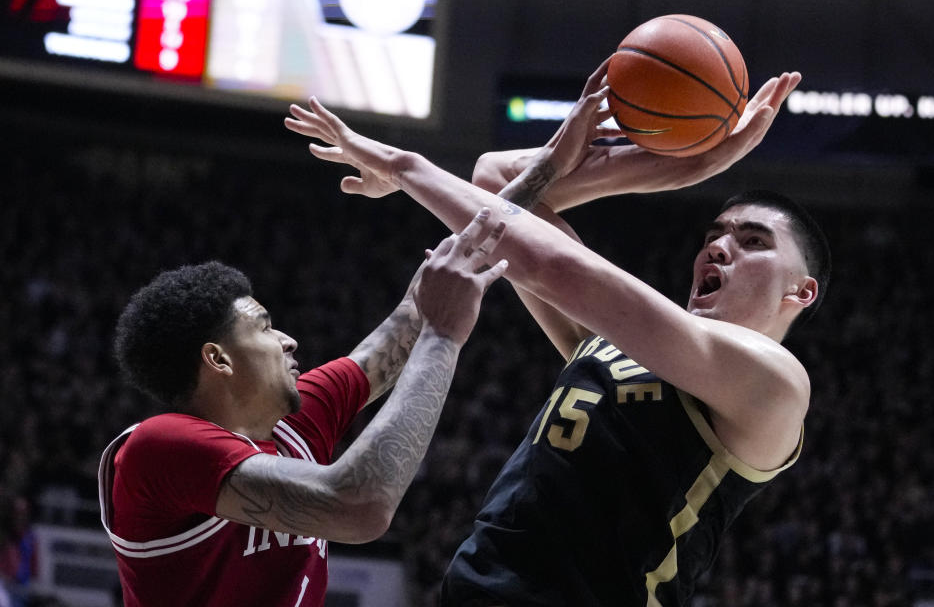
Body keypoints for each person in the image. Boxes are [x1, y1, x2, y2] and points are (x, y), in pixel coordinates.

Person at [285, 62, 830, 606]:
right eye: (715, 234)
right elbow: (496, 180)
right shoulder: (625, 342)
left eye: (753, 241)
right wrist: (683, 166)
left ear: (800, 292)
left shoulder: (776, 384)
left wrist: (402, 165)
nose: (717, 247)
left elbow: (552, 267)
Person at [97, 212, 508, 607]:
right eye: (264, 327)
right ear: (218, 359)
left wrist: (532, 181)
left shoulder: (291, 421)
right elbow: (359, 506)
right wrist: (442, 340)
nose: (288, 340)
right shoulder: (158, 447)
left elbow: (403, 327)